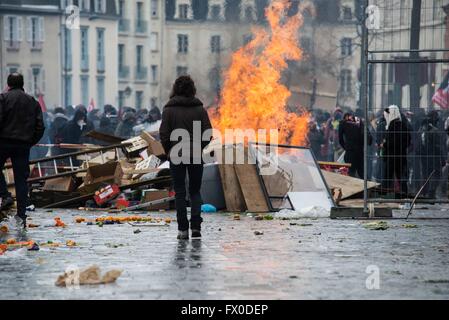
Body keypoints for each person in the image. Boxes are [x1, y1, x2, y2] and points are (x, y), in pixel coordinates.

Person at [159, 76, 212, 240]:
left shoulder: (169, 110)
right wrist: (200, 147)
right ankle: (196, 227)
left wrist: (169, 150)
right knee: (195, 191)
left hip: (176, 154)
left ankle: (182, 230)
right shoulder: (200, 109)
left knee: (180, 192)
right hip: (196, 154)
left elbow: (164, 134)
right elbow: (208, 133)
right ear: (192, 89)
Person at [0, 73, 45, 227]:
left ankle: (5, 195)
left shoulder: (3, 98)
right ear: (22, 83)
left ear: (9, 84)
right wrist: (30, 141)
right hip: (22, 144)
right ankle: (21, 214)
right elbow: (40, 126)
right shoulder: (32, 101)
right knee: (21, 179)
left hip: (4, 142)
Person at [381, 105, 411, 196]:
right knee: (401, 177)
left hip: (391, 155)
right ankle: (402, 195)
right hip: (401, 155)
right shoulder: (403, 125)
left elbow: (391, 141)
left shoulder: (393, 126)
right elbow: (408, 140)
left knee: (388, 177)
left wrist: (385, 144)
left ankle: (385, 195)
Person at [338, 112, 372, 178]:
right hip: (359, 152)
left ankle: (352, 187)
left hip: (350, 152)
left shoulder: (343, 123)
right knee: (362, 172)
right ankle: (367, 187)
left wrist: (346, 147)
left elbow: (340, 139)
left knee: (351, 172)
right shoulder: (359, 122)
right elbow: (364, 135)